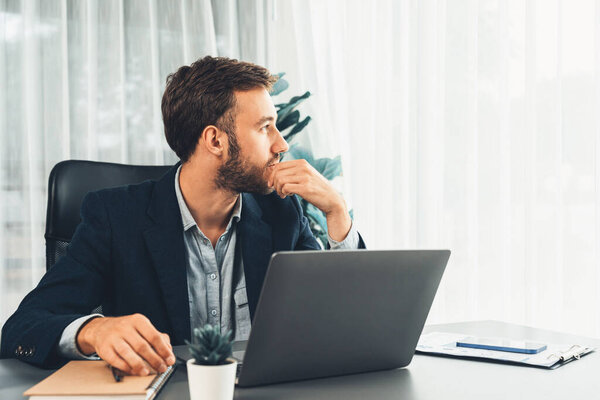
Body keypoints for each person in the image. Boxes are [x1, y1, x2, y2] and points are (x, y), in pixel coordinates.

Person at [1, 56, 365, 376]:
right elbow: (23, 327)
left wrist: (336, 212)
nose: (281, 144)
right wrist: (94, 331)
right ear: (215, 141)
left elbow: (343, 323)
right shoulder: (115, 217)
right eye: (264, 127)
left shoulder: (280, 213)